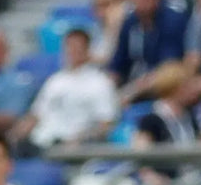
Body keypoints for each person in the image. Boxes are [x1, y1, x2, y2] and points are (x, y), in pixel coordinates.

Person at [11, 28, 120, 156]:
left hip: (77, 146)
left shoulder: (100, 83)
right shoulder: (54, 81)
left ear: (87, 49)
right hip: (43, 142)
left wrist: (81, 138)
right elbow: (36, 114)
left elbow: (106, 124)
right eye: (69, 46)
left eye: (78, 46)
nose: (73, 51)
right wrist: (16, 134)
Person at [108, 0, 190, 101]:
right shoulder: (130, 22)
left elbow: (169, 65)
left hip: (165, 84)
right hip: (135, 82)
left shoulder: (173, 19)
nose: (142, 0)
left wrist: (132, 90)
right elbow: (118, 62)